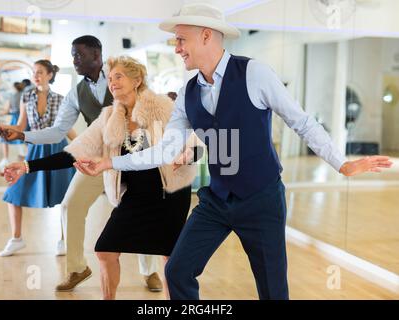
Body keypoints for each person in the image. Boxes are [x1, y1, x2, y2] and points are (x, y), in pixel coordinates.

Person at [69, 3, 393, 300]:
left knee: (272, 290)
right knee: (177, 271)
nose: (177, 47)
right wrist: (110, 162)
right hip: (217, 200)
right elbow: (165, 151)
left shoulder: (254, 73)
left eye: (181, 40)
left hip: (261, 199)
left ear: (206, 36)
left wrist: (342, 164)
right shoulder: (187, 93)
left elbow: (302, 122)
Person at [3, 56, 199, 299]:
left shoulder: (162, 108)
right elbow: (74, 152)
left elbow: (195, 143)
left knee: (170, 259)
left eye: (119, 76)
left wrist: (188, 154)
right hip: (135, 197)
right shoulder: (108, 117)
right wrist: (26, 166)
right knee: (105, 250)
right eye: (110, 78)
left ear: (137, 80)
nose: (112, 82)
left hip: (168, 195)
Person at [0, 59, 76, 257]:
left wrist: (84, 148)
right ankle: (16, 239)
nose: (36, 75)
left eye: (40, 71)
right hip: (35, 151)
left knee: (66, 198)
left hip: (58, 150)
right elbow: (22, 126)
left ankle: (64, 240)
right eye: (34, 71)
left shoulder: (60, 99)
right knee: (13, 193)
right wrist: (4, 128)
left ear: (50, 74)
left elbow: (66, 129)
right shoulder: (27, 96)